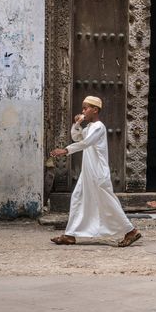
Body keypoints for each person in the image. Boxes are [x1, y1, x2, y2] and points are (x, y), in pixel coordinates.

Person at [50, 95, 141, 247]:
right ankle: (70, 235)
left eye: (86, 108)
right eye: (83, 108)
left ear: (95, 110)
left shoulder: (99, 127)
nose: (83, 111)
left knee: (108, 202)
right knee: (78, 197)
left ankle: (131, 231)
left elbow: (85, 143)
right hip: (88, 173)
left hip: (98, 173)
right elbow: (77, 137)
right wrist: (77, 124)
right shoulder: (90, 127)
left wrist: (65, 150)